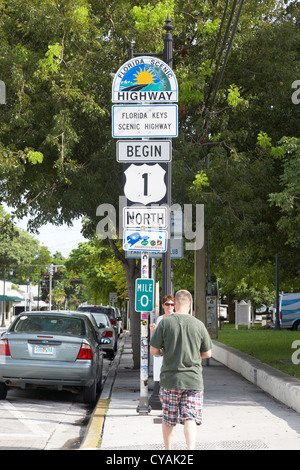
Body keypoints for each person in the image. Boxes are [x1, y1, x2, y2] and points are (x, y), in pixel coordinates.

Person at [150, 289, 212, 450]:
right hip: (193, 381)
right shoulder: (198, 324)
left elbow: (153, 351)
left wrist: (165, 352)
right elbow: (207, 353)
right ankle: (190, 450)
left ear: (175, 304)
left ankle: (168, 450)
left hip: (170, 380)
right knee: (190, 418)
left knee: (169, 419)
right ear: (190, 304)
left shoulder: (165, 323)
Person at [150, 295, 175, 382]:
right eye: (167, 304)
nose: (170, 307)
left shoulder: (176, 318)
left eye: (172, 304)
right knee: (160, 378)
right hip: (161, 353)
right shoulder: (160, 319)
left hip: (173, 353)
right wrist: (153, 332)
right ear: (163, 305)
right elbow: (157, 338)